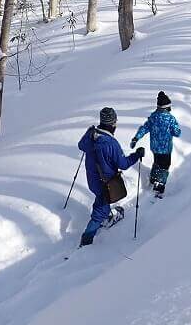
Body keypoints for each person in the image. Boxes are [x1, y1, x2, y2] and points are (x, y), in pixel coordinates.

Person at [77, 107, 144, 247]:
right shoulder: (110, 143)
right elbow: (123, 164)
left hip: (92, 179)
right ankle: (87, 239)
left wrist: (89, 131)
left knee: (102, 202)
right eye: (115, 122)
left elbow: (81, 145)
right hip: (106, 183)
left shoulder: (91, 135)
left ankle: (106, 215)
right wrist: (137, 155)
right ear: (112, 123)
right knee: (100, 209)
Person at [130, 91, 182, 196]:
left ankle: (153, 178)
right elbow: (177, 133)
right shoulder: (170, 119)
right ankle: (159, 185)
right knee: (165, 166)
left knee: (157, 162)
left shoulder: (153, 117)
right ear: (167, 107)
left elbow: (144, 128)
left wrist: (136, 138)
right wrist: (174, 130)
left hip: (155, 148)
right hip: (166, 149)